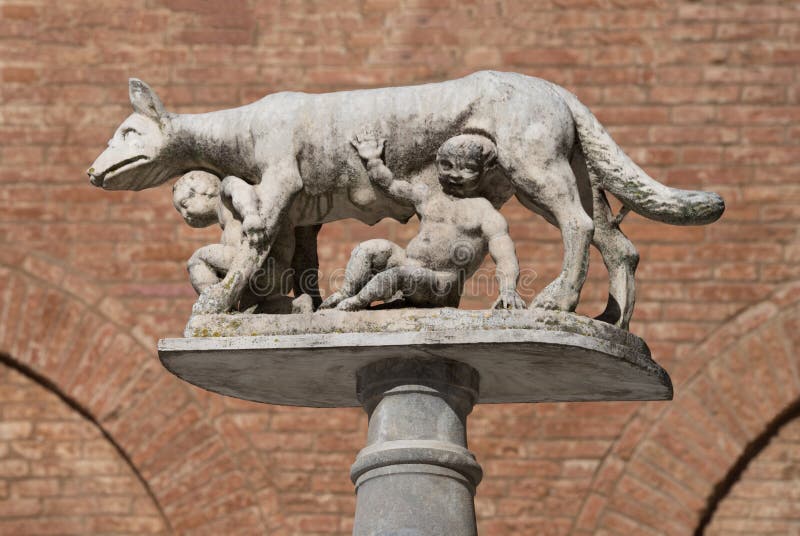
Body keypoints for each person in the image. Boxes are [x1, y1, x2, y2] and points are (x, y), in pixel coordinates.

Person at [320, 133, 526, 311]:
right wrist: (373, 160)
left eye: (468, 168)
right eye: (447, 165)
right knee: (370, 248)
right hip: (406, 263)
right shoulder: (428, 196)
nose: (455, 174)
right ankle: (346, 292)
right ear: (437, 163)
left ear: (484, 171)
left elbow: (505, 254)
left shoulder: (484, 212)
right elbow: (390, 185)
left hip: (442, 282)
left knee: (400, 275)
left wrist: (508, 290)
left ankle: (355, 303)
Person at [172, 171, 312, 313]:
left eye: (184, 204)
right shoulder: (225, 221)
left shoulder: (225, 191)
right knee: (251, 310)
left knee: (197, 260)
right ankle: (298, 305)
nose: (185, 215)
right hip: (278, 274)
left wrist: (250, 214)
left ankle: (220, 310)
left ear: (206, 191)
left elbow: (240, 190)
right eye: (180, 211)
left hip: (261, 262)